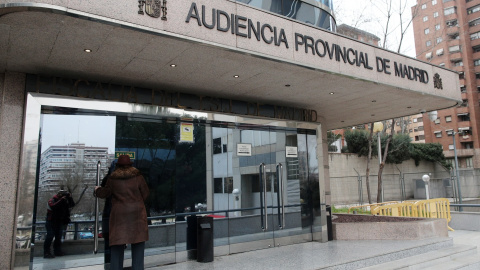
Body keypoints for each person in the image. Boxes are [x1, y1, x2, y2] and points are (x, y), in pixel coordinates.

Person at [95, 155, 149, 270]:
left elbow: (104, 193)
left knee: (117, 247)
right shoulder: (138, 176)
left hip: (119, 216)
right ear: (130, 164)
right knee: (138, 244)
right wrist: (137, 202)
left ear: (117, 165)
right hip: (137, 214)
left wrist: (96, 189)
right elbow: (146, 193)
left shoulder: (113, 178)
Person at [43, 189, 75, 258]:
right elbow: (54, 207)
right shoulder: (52, 200)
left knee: (58, 237)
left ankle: (57, 251)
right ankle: (46, 252)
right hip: (51, 221)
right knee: (50, 236)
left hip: (59, 221)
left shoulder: (64, 201)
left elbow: (72, 205)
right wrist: (61, 200)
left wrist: (70, 198)